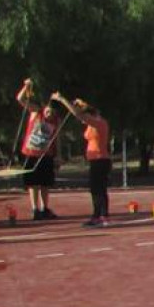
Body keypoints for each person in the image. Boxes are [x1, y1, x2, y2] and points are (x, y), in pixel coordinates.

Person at [51, 94, 111, 226]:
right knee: (98, 188)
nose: (83, 121)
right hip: (96, 160)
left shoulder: (99, 123)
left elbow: (77, 114)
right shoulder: (94, 123)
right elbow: (85, 110)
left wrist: (62, 99)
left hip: (100, 159)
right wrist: (81, 103)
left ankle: (100, 216)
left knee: (97, 189)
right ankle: (101, 215)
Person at [15, 79, 61, 220]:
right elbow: (20, 99)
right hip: (31, 153)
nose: (49, 114)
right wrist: (26, 86)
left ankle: (45, 208)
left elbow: (56, 139)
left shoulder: (56, 121)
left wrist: (58, 155)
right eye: (48, 110)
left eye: (52, 112)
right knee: (33, 183)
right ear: (44, 108)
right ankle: (35, 209)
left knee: (45, 184)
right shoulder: (36, 112)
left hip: (46, 155)